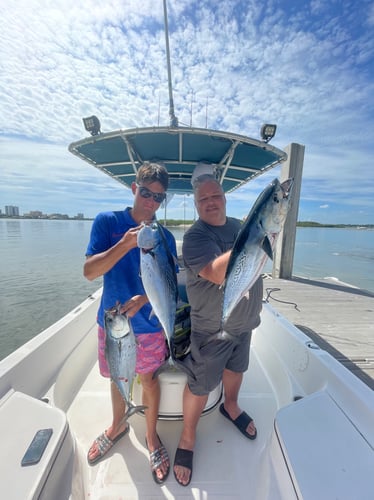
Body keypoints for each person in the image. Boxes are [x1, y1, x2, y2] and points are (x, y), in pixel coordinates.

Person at [84, 162, 177, 485]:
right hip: (112, 325)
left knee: (149, 380)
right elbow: (90, 272)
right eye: (147, 193)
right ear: (134, 188)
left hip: (149, 326)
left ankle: (151, 438)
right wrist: (125, 244)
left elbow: (168, 282)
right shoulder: (107, 222)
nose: (151, 202)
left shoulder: (165, 237)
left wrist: (144, 300)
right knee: (116, 378)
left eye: (159, 198)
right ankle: (118, 425)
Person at [173, 173, 263, 486]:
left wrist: (262, 237)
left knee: (237, 369)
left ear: (224, 197)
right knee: (200, 385)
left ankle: (231, 406)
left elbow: (259, 262)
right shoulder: (195, 238)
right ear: (196, 205)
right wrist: (256, 239)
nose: (211, 202)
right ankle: (187, 438)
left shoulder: (242, 226)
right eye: (203, 199)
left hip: (245, 323)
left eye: (216, 196)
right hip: (212, 329)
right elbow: (215, 273)